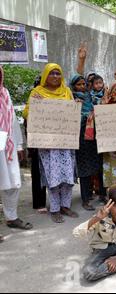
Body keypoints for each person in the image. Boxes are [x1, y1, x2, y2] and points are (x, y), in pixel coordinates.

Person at [24, 63, 78, 223]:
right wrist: (36, 104)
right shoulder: (37, 92)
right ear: (46, 75)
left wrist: (75, 107)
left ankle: (65, 206)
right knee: (53, 176)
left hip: (66, 142)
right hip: (48, 144)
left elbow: (72, 113)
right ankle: (54, 209)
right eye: (52, 73)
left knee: (68, 175)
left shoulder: (67, 91)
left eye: (58, 73)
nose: (55, 76)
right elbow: (26, 113)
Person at [0, 65, 33, 242]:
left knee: (13, 184)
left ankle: (11, 217)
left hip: (8, 146)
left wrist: (19, 145)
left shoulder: (4, 93)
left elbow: (12, 121)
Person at [69, 74, 102, 211]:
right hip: (80, 137)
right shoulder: (70, 98)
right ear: (73, 86)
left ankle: (98, 194)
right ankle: (85, 199)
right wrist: (75, 107)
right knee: (84, 168)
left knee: (96, 165)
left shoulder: (90, 96)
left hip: (94, 136)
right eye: (78, 84)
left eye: (83, 84)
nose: (82, 87)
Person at [25, 74, 47, 213]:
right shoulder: (33, 97)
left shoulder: (59, 95)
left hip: (55, 141)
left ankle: (58, 204)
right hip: (38, 143)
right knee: (38, 172)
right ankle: (39, 203)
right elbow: (26, 115)